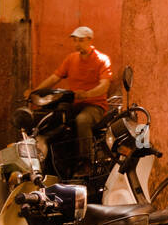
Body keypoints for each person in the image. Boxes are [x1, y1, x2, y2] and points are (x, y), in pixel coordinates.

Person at [25, 26, 113, 169]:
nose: (77, 44)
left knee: (82, 120)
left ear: (90, 40)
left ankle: (86, 162)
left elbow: (104, 85)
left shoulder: (102, 60)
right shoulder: (71, 59)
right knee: (53, 116)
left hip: (95, 105)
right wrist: (35, 91)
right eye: (75, 41)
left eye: (81, 40)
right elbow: (54, 78)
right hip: (74, 103)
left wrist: (87, 94)